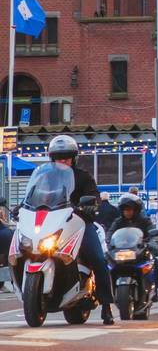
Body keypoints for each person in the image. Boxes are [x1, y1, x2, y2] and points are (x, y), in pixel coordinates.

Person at [39, 136, 116, 324]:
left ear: (74, 158)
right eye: (58, 157)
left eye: (66, 157)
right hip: (52, 224)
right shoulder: (45, 178)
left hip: (79, 224)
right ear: (52, 159)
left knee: (97, 258)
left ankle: (106, 305)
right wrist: (24, 206)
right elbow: (36, 195)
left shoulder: (83, 176)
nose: (63, 161)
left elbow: (93, 196)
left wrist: (90, 205)